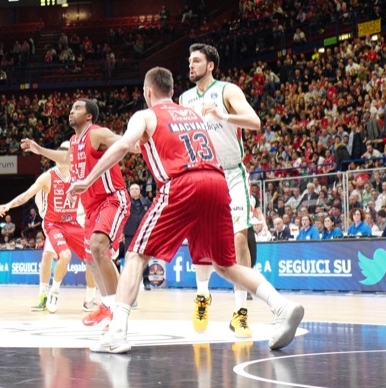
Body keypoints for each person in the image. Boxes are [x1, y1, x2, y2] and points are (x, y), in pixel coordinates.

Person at [69, 67, 305, 354]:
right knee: (226, 265)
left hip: (181, 183)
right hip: (218, 183)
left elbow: (124, 145)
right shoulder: (191, 113)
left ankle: (117, 331)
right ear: (171, 91)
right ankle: (282, 306)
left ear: (147, 92)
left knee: (135, 254)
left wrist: (88, 179)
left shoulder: (145, 115)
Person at [179, 43, 263, 338]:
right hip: (201, 174)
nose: (191, 65)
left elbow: (254, 122)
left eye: (197, 61)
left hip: (231, 173)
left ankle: (240, 313)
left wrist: (223, 116)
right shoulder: (185, 98)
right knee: (200, 242)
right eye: (189, 61)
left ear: (211, 65)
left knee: (239, 241)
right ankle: (202, 295)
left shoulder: (227, 90)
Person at [22, 99, 129, 327]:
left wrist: (146, 142)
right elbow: (65, 158)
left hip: (111, 198)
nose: (71, 111)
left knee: (99, 248)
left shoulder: (96, 133)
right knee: (92, 259)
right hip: (91, 208)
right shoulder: (74, 141)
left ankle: (120, 312)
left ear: (89, 116)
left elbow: (125, 144)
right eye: (71, 109)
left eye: (77, 108)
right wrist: (39, 149)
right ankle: (108, 306)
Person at [0, 141, 88, 314]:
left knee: (93, 257)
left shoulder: (77, 175)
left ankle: (100, 299)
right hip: (53, 224)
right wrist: (9, 204)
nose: (63, 154)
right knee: (56, 255)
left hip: (72, 223)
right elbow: (27, 195)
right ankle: (48, 293)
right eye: (60, 151)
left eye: (67, 151)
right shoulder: (48, 177)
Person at [120, 183, 153, 290]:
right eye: (132, 189)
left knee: (143, 257)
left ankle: (146, 280)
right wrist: (121, 233)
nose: (134, 190)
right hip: (129, 233)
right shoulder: (125, 203)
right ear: (129, 191)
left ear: (140, 190)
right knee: (129, 257)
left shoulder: (147, 203)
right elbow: (121, 218)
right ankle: (129, 282)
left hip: (143, 234)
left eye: (136, 189)